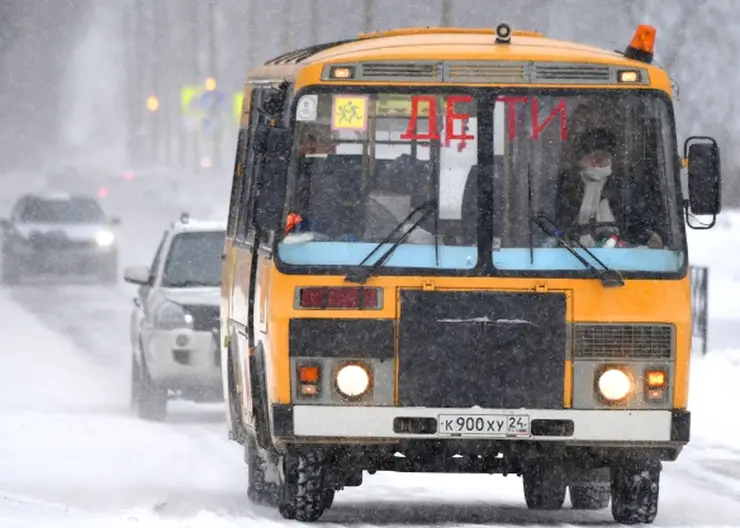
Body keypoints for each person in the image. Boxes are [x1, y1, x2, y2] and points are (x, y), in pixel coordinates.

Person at [554, 128, 664, 249]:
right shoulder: (566, 186)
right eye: (591, 156)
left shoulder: (624, 188)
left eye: (602, 157)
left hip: (618, 258)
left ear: (612, 158)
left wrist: (647, 238)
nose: (596, 162)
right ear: (580, 158)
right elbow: (556, 227)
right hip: (569, 255)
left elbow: (636, 227)